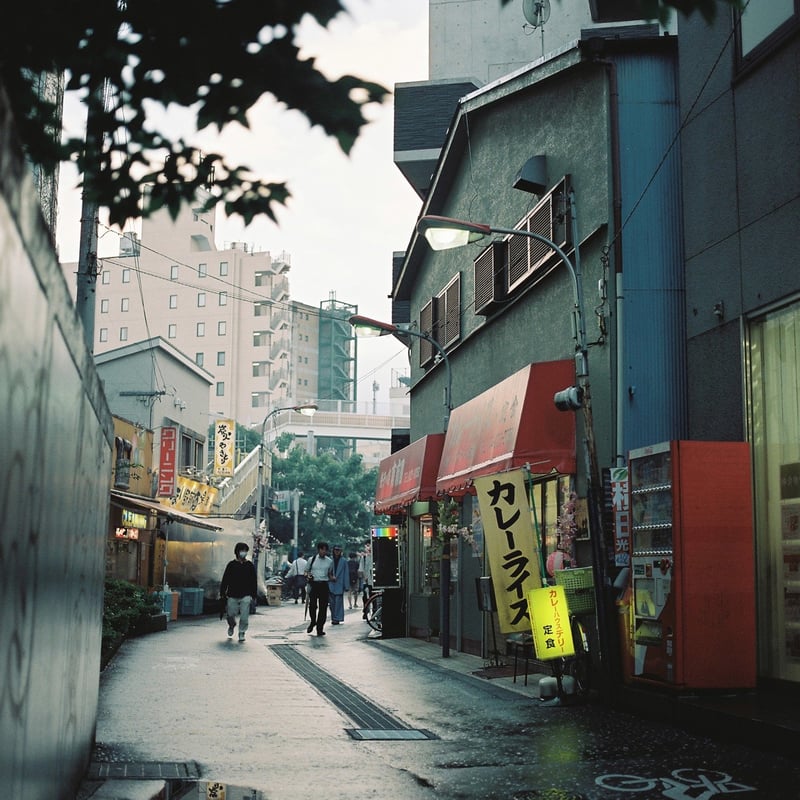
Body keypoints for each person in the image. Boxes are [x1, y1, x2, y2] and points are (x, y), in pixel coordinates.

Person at [219, 541, 257, 643]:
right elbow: (225, 579)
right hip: (232, 594)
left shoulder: (249, 565)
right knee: (230, 614)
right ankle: (232, 625)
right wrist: (222, 592)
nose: (244, 553)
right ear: (237, 552)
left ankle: (242, 632)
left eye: (245, 551)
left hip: (246, 594)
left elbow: (254, 580)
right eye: (242, 550)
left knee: (244, 616)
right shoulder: (231, 565)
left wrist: (254, 595)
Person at [305, 541, 333, 636]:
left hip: (324, 585)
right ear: (318, 550)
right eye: (322, 549)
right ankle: (313, 621)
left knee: (323, 607)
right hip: (314, 584)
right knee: (312, 606)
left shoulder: (329, 561)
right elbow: (306, 571)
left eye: (325, 550)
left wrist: (332, 578)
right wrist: (308, 576)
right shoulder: (311, 560)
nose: (323, 551)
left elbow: (330, 574)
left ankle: (320, 628)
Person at [328, 544, 348, 624]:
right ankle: (333, 617)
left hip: (339, 584)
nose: (337, 551)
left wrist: (346, 586)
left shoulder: (344, 561)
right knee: (331, 603)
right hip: (331, 583)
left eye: (338, 550)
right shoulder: (330, 560)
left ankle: (337, 618)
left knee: (339, 602)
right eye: (335, 550)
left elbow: (346, 574)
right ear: (333, 550)